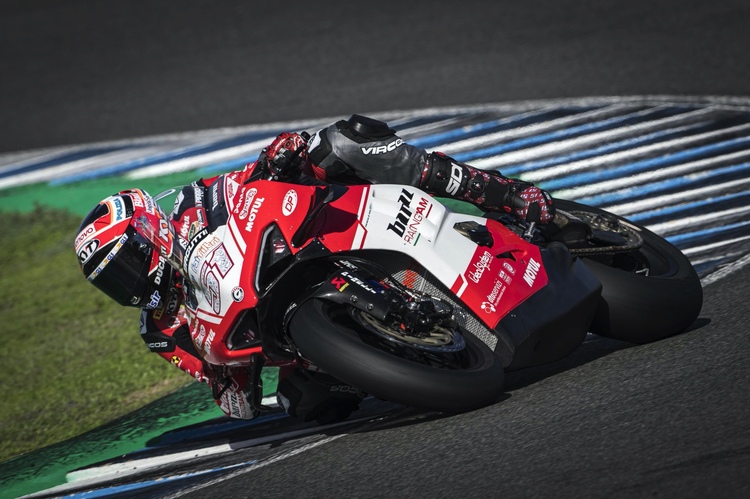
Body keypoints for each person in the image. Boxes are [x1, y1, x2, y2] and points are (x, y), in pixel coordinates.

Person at [73, 114, 555, 424]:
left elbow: (242, 183)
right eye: (114, 282)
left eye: (128, 265)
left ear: (149, 234)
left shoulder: (193, 205)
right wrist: (230, 381)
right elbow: (230, 396)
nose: (130, 283)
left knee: (346, 144)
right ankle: (402, 349)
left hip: (307, 232)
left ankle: (505, 195)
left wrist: (276, 158)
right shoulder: (161, 331)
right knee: (309, 406)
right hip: (283, 327)